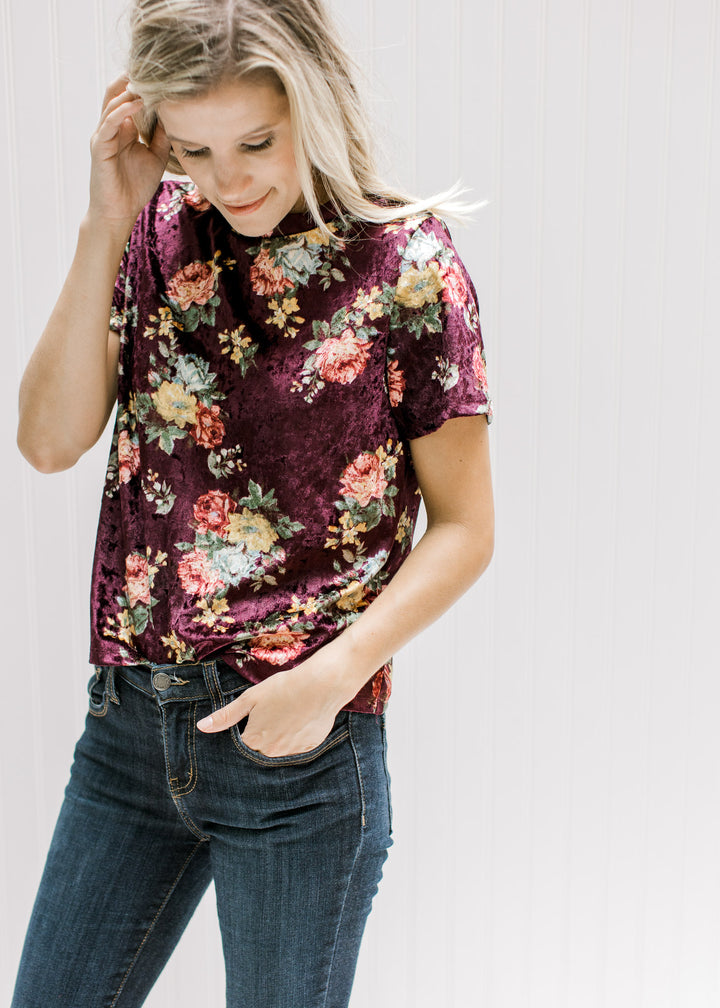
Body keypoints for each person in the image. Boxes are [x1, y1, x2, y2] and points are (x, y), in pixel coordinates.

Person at [12, 0, 494, 1004]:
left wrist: (331, 679)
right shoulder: (154, 233)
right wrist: (106, 222)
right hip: (129, 733)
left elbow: (465, 529)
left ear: (313, 101)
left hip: (301, 755)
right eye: (193, 149)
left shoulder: (409, 266)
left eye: (257, 143)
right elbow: (48, 442)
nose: (227, 180)